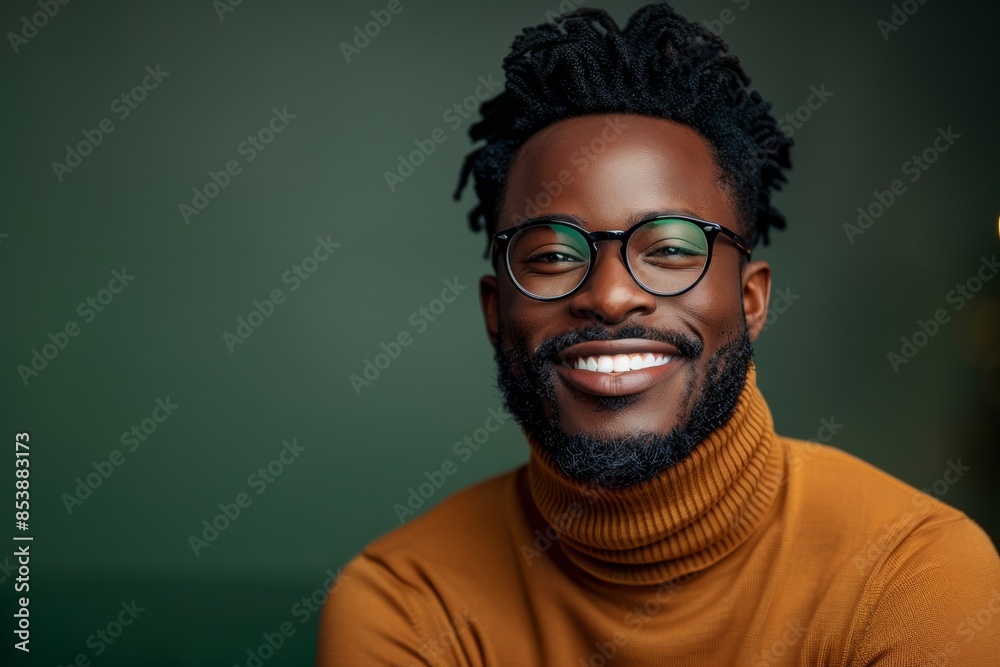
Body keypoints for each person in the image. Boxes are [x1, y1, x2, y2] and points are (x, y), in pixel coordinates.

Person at [317, 4, 1000, 664]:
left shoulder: (913, 574)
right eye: (553, 255)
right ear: (497, 311)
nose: (610, 296)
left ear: (751, 298)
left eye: (672, 249)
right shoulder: (405, 605)